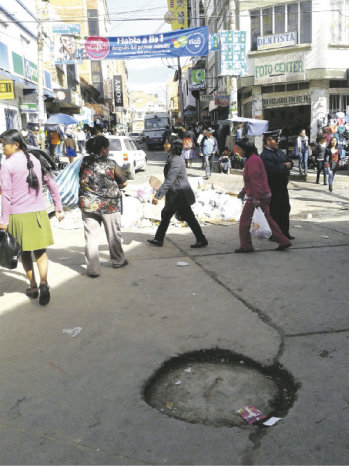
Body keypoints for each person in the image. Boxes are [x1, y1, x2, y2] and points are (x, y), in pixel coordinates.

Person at [0, 129, 64, 305]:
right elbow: (52, 183)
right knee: (41, 253)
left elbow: (6, 195)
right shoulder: (35, 159)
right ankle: (44, 282)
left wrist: (4, 221)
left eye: (4, 144)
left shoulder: (7, 165)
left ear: (16, 145)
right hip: (38, 214)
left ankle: (34, 286)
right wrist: (58, 207)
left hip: (17, 216)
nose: (2, 148)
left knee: (25, 254)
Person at [79, 135, 128, 277]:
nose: (108, 150)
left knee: (91, 237)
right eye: (107, 147)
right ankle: (118, 260)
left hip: (88, 205)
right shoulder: (110, 164)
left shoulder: (84, 162)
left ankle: (93, 269)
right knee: (113, 235)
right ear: (102, 149)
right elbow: (124, 183)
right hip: (109, 205)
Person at [147, 136, 208, 249]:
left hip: (180, 195)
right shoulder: (172, 157)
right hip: (175, 195)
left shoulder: (176, 160)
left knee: (188, 217)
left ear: (173, 146)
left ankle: (201, 239)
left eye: (167, 143)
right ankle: (158, 239)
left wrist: (158, 196)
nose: (164, 145)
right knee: (167, 215)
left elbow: (170, 180)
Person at [235, 139, 291, 253]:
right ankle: (283, 240)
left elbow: (256, 181)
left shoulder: (252, 161)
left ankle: (246, 245)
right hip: (263, 195)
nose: (238, 151)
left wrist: (256, 198)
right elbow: (252, 181)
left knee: (244, 221)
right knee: (269, 219)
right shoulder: (254, 159)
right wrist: (243, 191)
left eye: (239, 149)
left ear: (245, 150)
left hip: (257, 196)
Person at [260, 130, 294, 240]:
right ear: (268, 141)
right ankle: (276, 235)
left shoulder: (279, 152)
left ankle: (285, 233)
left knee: (285, 209)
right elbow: (270, 170)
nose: (278, 142)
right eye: (275, 139)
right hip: (273, 187)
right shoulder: (265, 155)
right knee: (275, 211)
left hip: (282, 186)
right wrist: (284, 166)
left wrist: (286, 165)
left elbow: (289, 162)